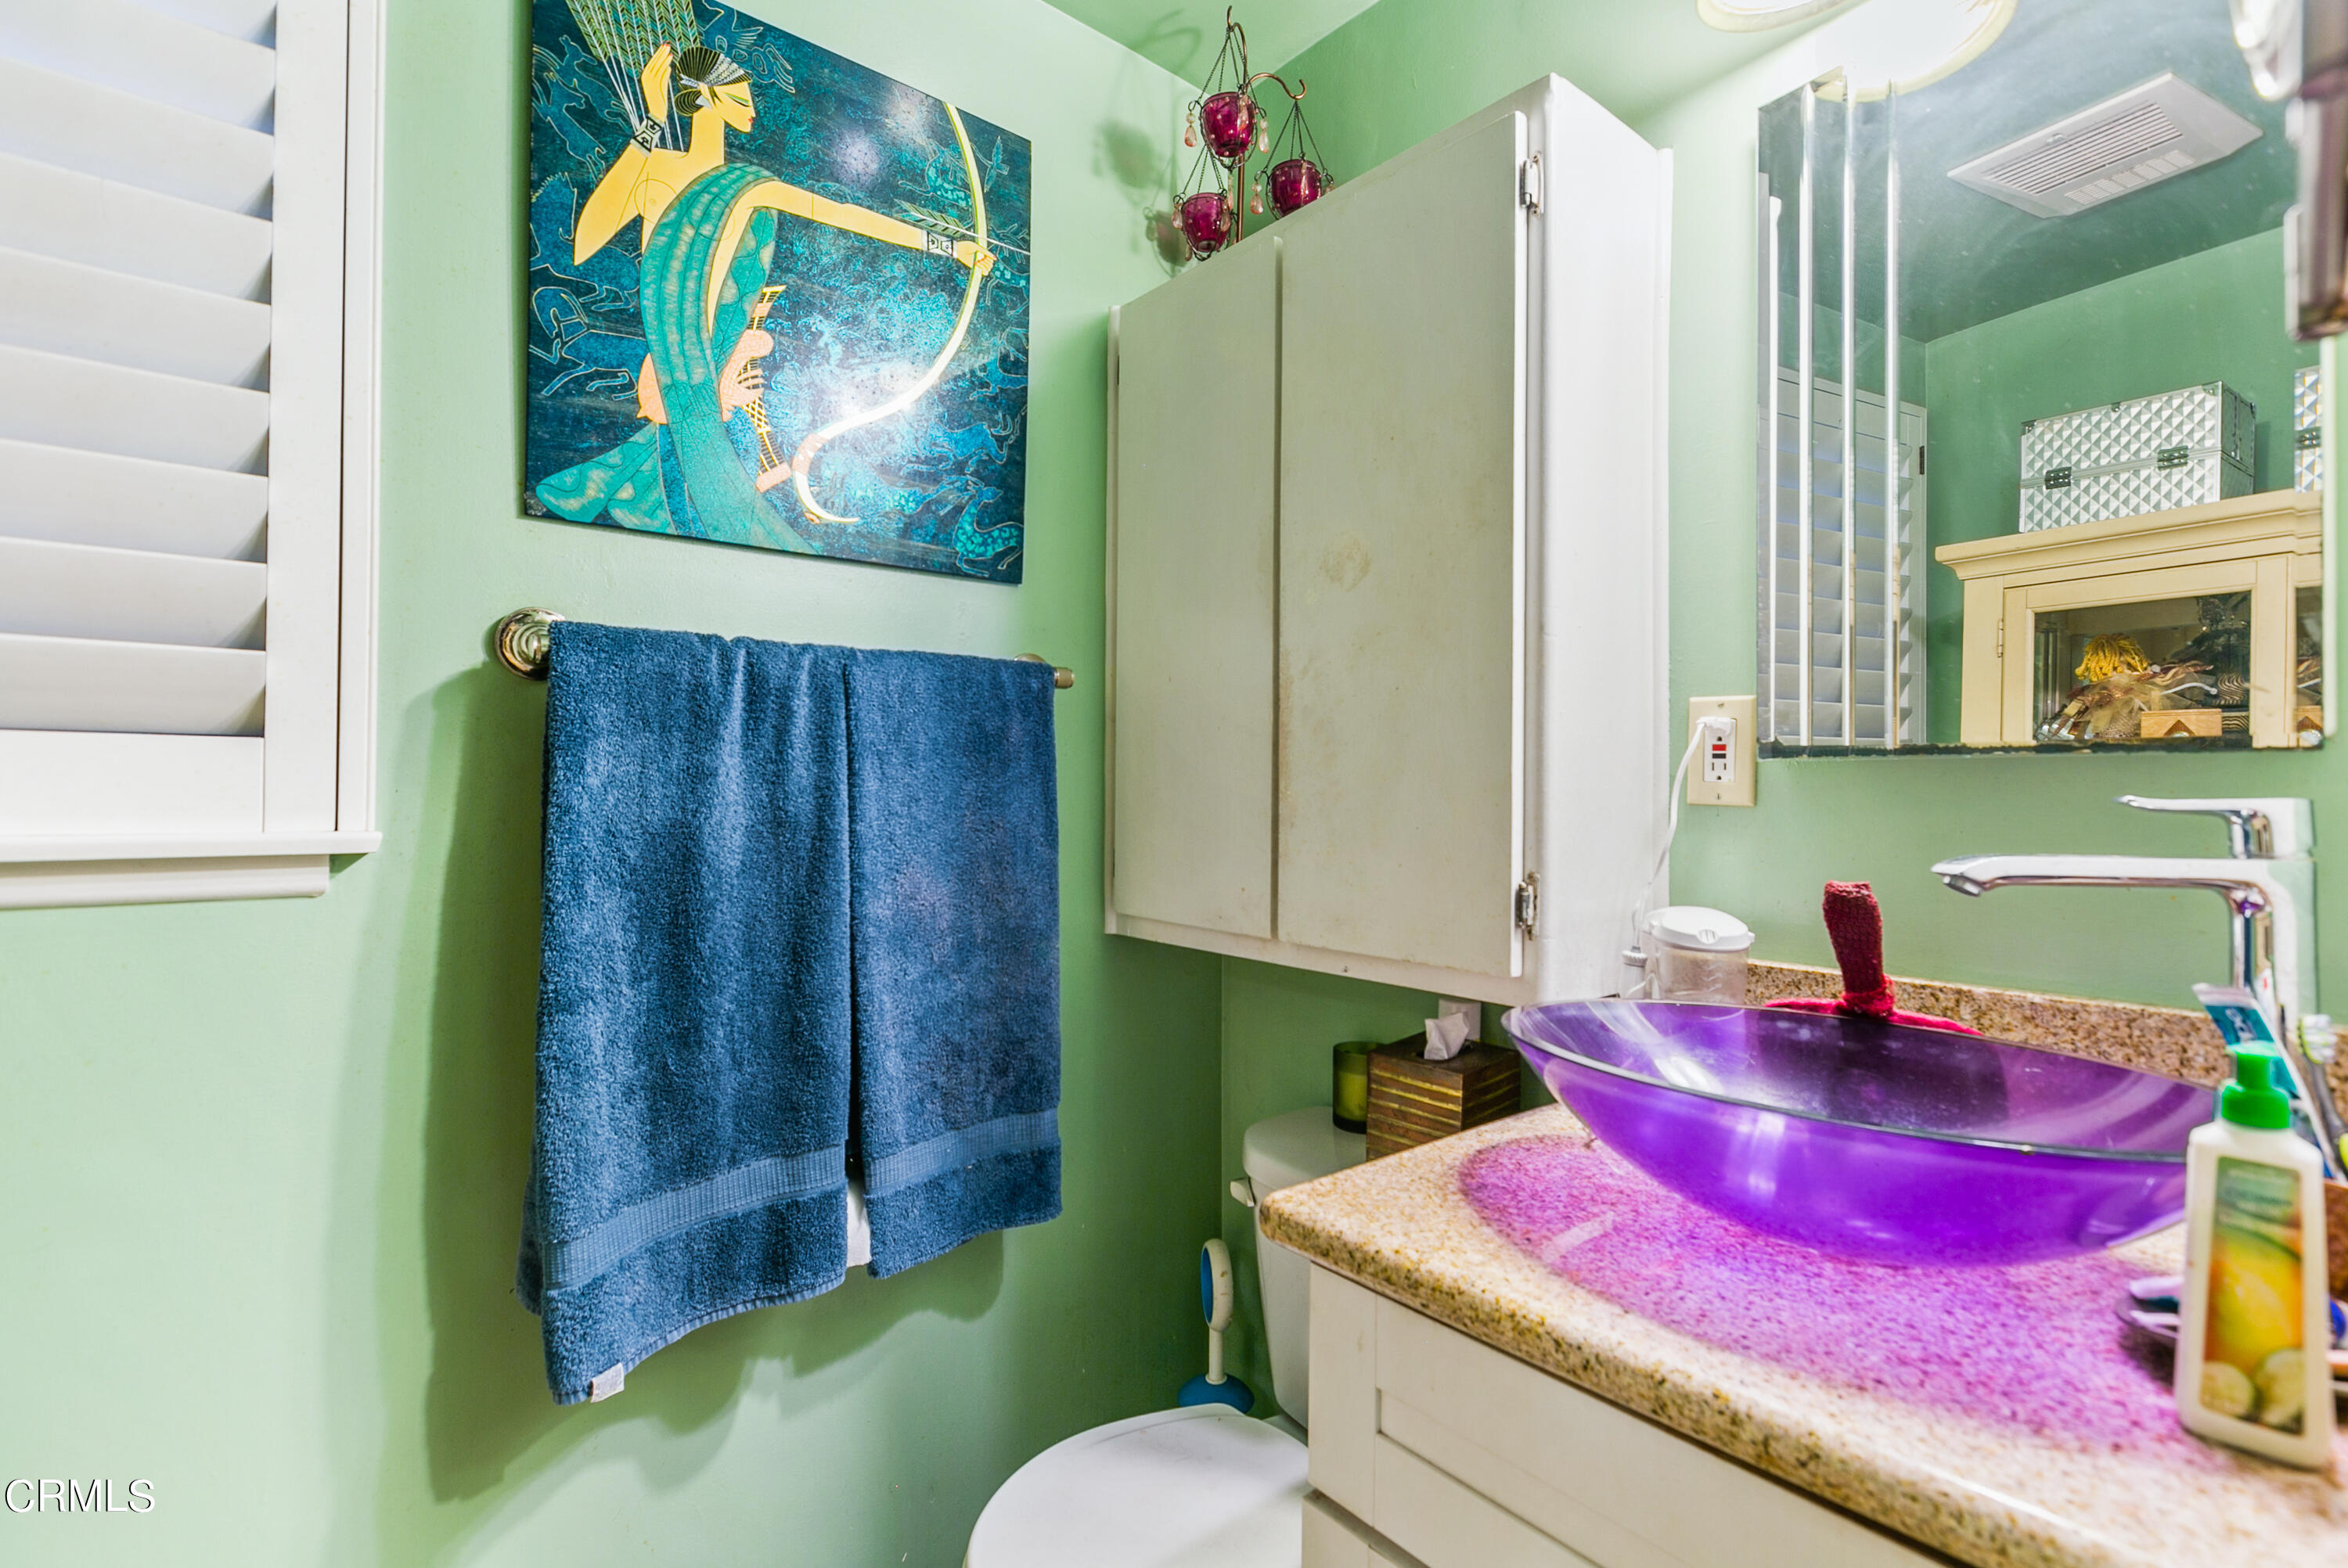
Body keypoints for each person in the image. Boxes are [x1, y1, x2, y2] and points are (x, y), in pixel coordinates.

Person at [539, 42, 991, 543]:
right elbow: (585, 242)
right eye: (740, 90)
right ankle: (620, 491)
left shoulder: (753, 184)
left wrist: (950, 247)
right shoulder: (659, 171)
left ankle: (616, 488)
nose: (752, 103)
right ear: (705, 94)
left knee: (713, 482)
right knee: (714, 489)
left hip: (721, 364)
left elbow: (842, 213)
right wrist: (651, 119)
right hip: (678, 362)